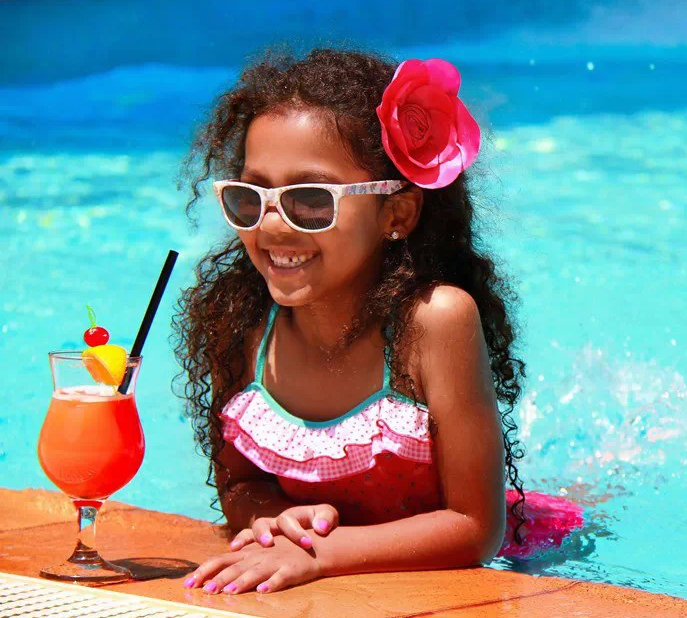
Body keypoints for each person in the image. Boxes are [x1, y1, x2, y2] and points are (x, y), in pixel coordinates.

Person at [173, 48, 583, 595]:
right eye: (250, 197)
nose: (270, 227)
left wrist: (319, 553)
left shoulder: (433, 323)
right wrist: (274, 522)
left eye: (310, 201)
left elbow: (476, 528)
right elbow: (240, 485)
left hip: (515, 560)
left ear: (396, 213)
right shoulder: (243, 323)